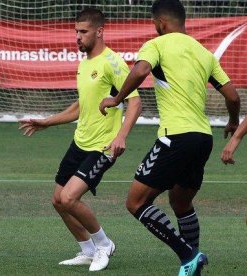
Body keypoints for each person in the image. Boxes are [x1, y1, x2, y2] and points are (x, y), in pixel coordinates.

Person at [98, 0, 240, 275]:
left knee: (136, 202)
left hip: (175, 135)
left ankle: (188, 255)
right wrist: (233, 121)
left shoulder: (157, 44)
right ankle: (193, 264)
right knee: (181, 202)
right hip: (203, 138)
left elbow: (139, 70)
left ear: (160, 23)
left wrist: (117, 98)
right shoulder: (204, 52)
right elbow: (232, 96)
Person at [19, 7, 141, 272]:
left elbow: (135, 102)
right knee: (58, 200)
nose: (77, 37)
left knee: (70, 197)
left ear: (99, 32)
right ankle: (87, 250)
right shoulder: (84, 63)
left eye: (83, 32)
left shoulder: (113, 63)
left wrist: (121, 136)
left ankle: (104, 244)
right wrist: (46, 122)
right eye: (75, 31)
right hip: (80, 142)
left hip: (104, 146)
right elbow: (80, 106)